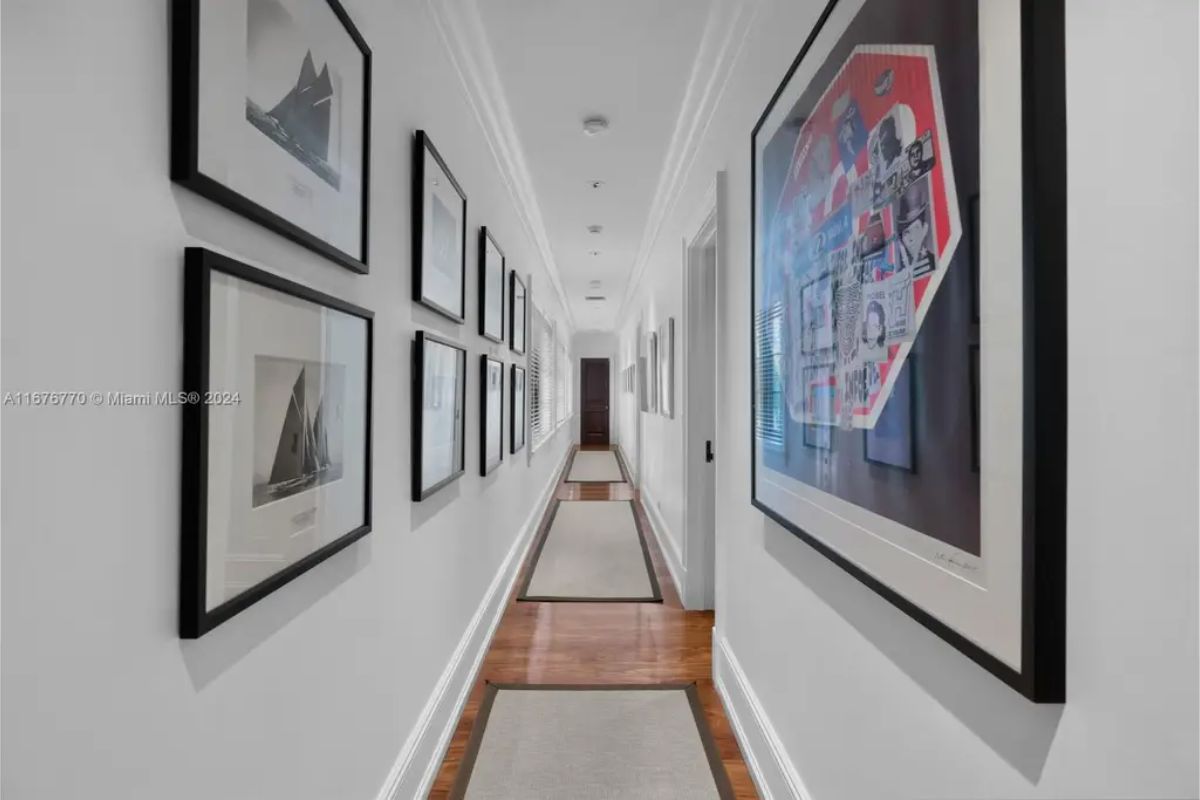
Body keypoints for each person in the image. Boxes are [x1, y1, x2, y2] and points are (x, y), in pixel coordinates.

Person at [897, 181, 934, 276]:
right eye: (906, 233)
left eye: (916, 228)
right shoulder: (901, 273)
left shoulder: (936, 261)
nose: (911, 238)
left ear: (924, 229)